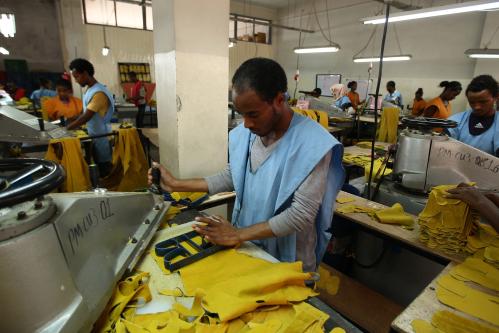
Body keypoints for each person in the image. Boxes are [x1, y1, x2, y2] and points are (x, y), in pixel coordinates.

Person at [149, 58, 345, 272]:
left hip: (287, 261)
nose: (247, 123)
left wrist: (237, 234)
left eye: (253, 114)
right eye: (242, 114)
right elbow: (233, 176)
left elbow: (300, 215)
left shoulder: (313, 144)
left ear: (279, 100)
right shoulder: (245, 134)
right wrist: (176, 184)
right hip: (249, 247)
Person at [67, 58, 115, 177]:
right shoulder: (90, 90)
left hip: (102, 136)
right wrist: (72, 119)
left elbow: (87, 116)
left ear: (85, 73)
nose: (76, 81)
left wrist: (66, 129)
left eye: (77, 77)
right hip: (95, 133)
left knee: (104, 167)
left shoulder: (99, 93)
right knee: (97, 165)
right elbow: (84, 112)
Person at [446, 75, 498, 156]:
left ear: (495, 97)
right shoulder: (455, 121)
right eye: (472, 102)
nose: (477, 107)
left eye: (483, 102)